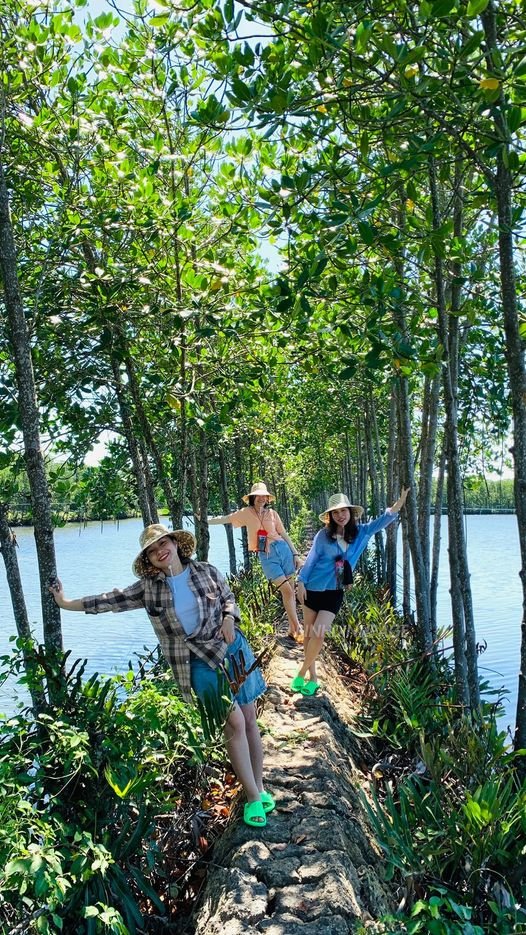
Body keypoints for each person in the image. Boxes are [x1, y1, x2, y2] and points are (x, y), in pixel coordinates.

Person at [49, 523, 273, 828]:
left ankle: (260, 786)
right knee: (232, 722)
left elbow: (228, 597)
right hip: (196, 663)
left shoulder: (206, 570)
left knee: (249, 718)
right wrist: (65, 603)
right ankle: (251, 798)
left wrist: (230, 617)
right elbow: (107, 601)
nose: (160, 551)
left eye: (163, 543)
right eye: (152, 550)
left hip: (231, 650)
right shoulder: (148, 588)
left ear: (175, 543)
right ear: (148, 559)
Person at [292, 489, 410, 696]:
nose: (340, 515)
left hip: (334, 592)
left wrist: (400, 502)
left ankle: (301, 673)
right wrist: (300, 582)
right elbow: (311, 560)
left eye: (344, 511)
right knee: (310, 634)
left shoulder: (362, 532)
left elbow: (385, 519)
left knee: (319, 634)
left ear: (351, 512)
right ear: (330, 516)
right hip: (312, 588)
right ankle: (313, 678)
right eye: (336, 512)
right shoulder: (323, 535)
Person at [208, 482, 304, 643]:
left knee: (290, 591)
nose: (261, 498)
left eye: (264, 496)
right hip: (267, 556)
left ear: (267, 498)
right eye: (257, 496)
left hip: (283, 549)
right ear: (252, 498)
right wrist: (204, 520)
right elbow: (226, 518)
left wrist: (295, 554)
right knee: (286, 591)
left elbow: (284, 533)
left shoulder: (272, 513)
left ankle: (291, 629)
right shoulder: (246, 512)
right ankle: (298, 627)